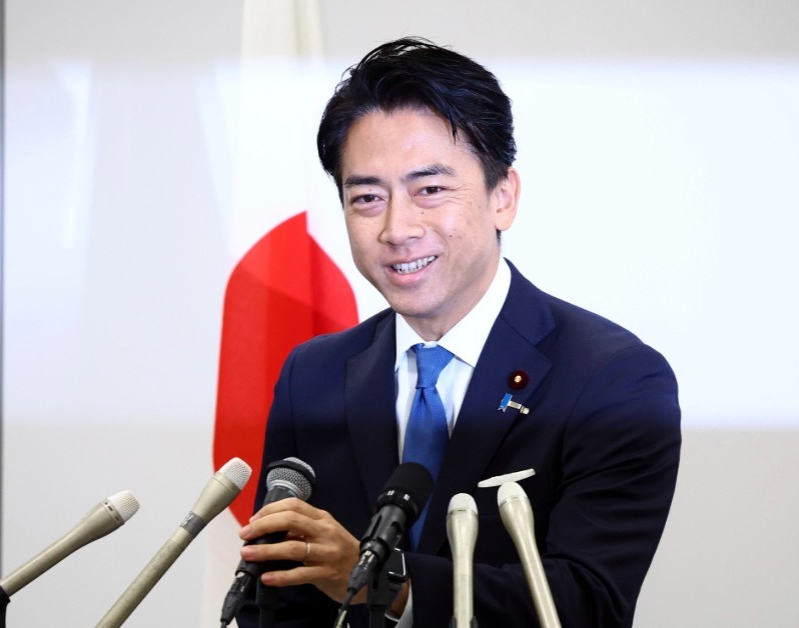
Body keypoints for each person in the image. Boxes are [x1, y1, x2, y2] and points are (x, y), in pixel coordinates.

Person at [235, 37, 680, 627]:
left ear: (503, 197)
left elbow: (587, 602)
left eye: (430, 190)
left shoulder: (614, 380)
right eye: (367, 197)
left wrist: (387, 584)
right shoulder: (312, 376)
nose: (397, 228)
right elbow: (273, 600)